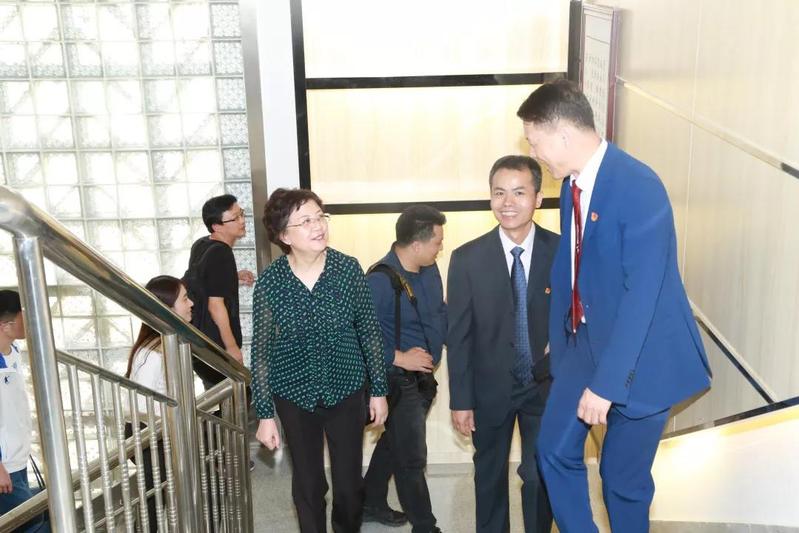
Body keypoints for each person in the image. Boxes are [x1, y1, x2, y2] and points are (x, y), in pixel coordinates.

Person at [517, 79, 712, 532]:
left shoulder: (638, 187)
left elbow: (642, 297)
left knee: (621, 482)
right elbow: (570, 269)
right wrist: (560, 343)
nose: (534, 153)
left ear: (563, 134)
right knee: (553, 451)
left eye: (535, 141)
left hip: (642, 358)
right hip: (585, 344)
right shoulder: (573, 185)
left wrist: (605, 386)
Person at [252, 188, 389, 533]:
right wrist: (265, 414)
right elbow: (262, 352)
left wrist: (378, 390)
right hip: (294, 394)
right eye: (305, 221)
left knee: (349, 485)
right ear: (284, 236)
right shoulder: (271, 282)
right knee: (309, 484)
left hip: (346, 389)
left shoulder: (347, 269)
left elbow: (369, 331)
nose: (318, 226)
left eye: (320, 217)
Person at [447, 156, 557, 533]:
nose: (507, 203)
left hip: (545, 386)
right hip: (489, 388)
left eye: (519, 193)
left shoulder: (562, 253)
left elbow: (577, 319)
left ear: (538, 198)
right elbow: (458, 337)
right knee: (489, 476)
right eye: (499, 193)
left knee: (540, 474)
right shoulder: (466, 259)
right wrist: (461, 400)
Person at [362, 205, 447, 533]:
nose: (441, 247)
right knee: (412, 456)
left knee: (395, 442)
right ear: (416, 245)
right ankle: (426, 526)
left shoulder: (429, 269)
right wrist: (398, 357)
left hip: (423, 379)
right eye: (437, 242)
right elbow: (357, 334)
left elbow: (437, 313)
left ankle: (369, 501)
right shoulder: (379, 281)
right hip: (397, 380)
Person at [124, 275, 193, 532]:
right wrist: (172, 418)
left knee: (158, 499)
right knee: (153, 503)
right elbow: (140, 404)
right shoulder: (153, 352)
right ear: (167, 308)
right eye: (184, 299)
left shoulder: (168, 341)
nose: (191, 303)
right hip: (146, 432)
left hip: (159, 429)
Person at [185, 194, 254, 389]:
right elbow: (215, 305)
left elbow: (203, 281)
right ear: (217, 226)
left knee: (218, 395)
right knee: (239, 396)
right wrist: (231, 348)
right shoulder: (222, 252)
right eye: (235, 218)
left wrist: (234, 276)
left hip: (199, 342)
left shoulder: (201, 244)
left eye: (241, 214)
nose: (242, 221)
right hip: (216, 347)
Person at [0, 290, 50, 532]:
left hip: (18, 460)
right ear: (5, 325)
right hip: (4, 466)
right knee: (35, 523)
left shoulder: (14, 352)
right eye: (23, 316)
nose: (29, 321)